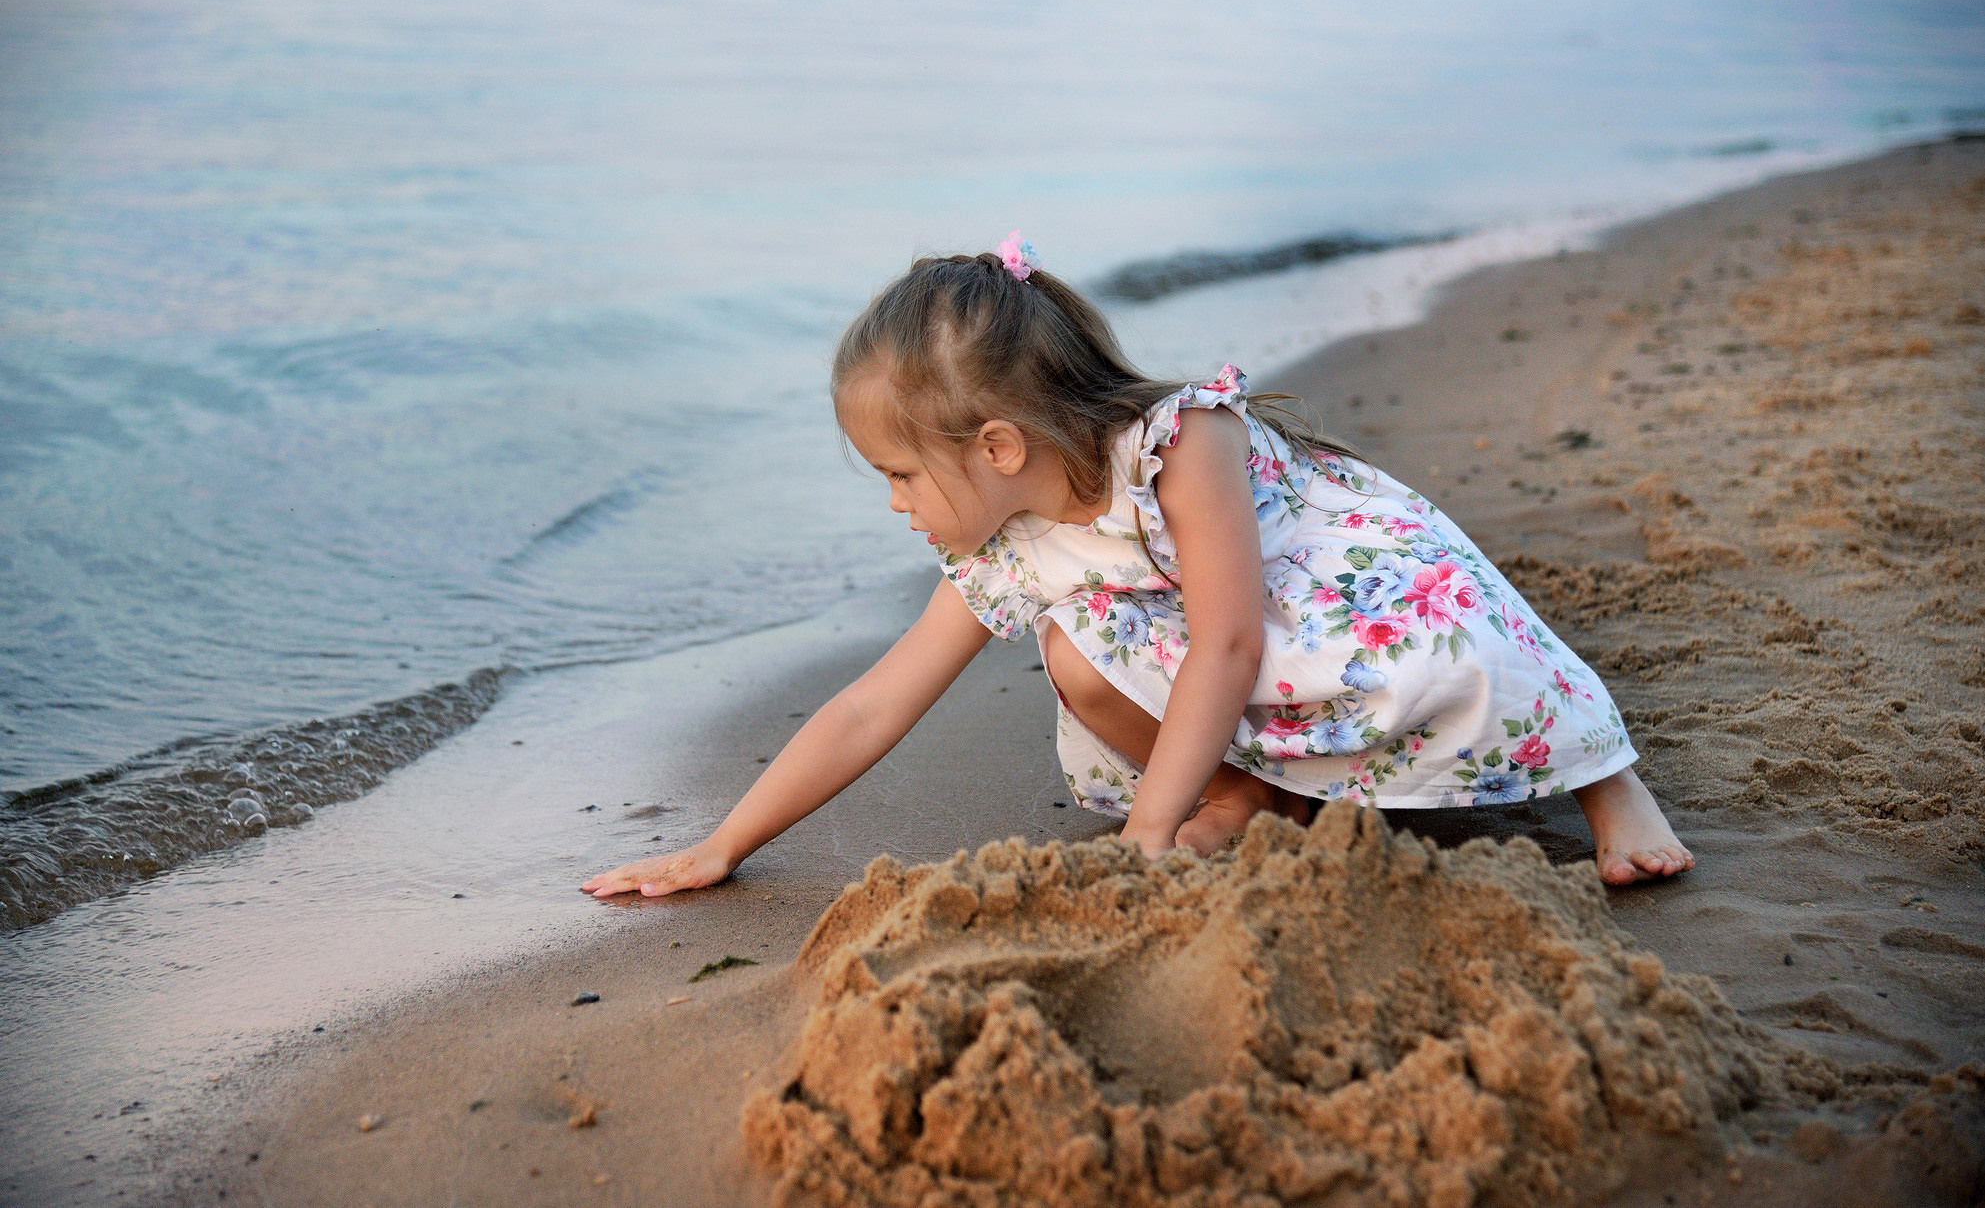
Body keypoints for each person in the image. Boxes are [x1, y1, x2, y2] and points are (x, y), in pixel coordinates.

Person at [582, 234, 1694, 901]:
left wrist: (1145, 832)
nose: (893, 502)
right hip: (1227, 638)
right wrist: (718, 844)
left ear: (998, 447)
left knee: (1457, 653)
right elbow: (874, 703)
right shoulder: (1008, 543)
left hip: (1332, 587)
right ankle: (1246, 791)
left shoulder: (1179, 443)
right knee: (1072, 649)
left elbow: (1229, 636)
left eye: (901, 475)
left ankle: (1607, 781)